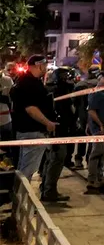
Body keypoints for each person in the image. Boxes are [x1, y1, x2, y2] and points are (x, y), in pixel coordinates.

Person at [10, 56, 66, 203]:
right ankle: (20, 205)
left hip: (29, 131)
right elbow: (31, 109)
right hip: (32, 131)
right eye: (45, 64)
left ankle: (19, 203)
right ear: (39, 65)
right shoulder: (29, 83)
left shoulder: (26, 81)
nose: (47, 67)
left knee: (25, 168)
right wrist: (48, 122)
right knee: (27, 170)